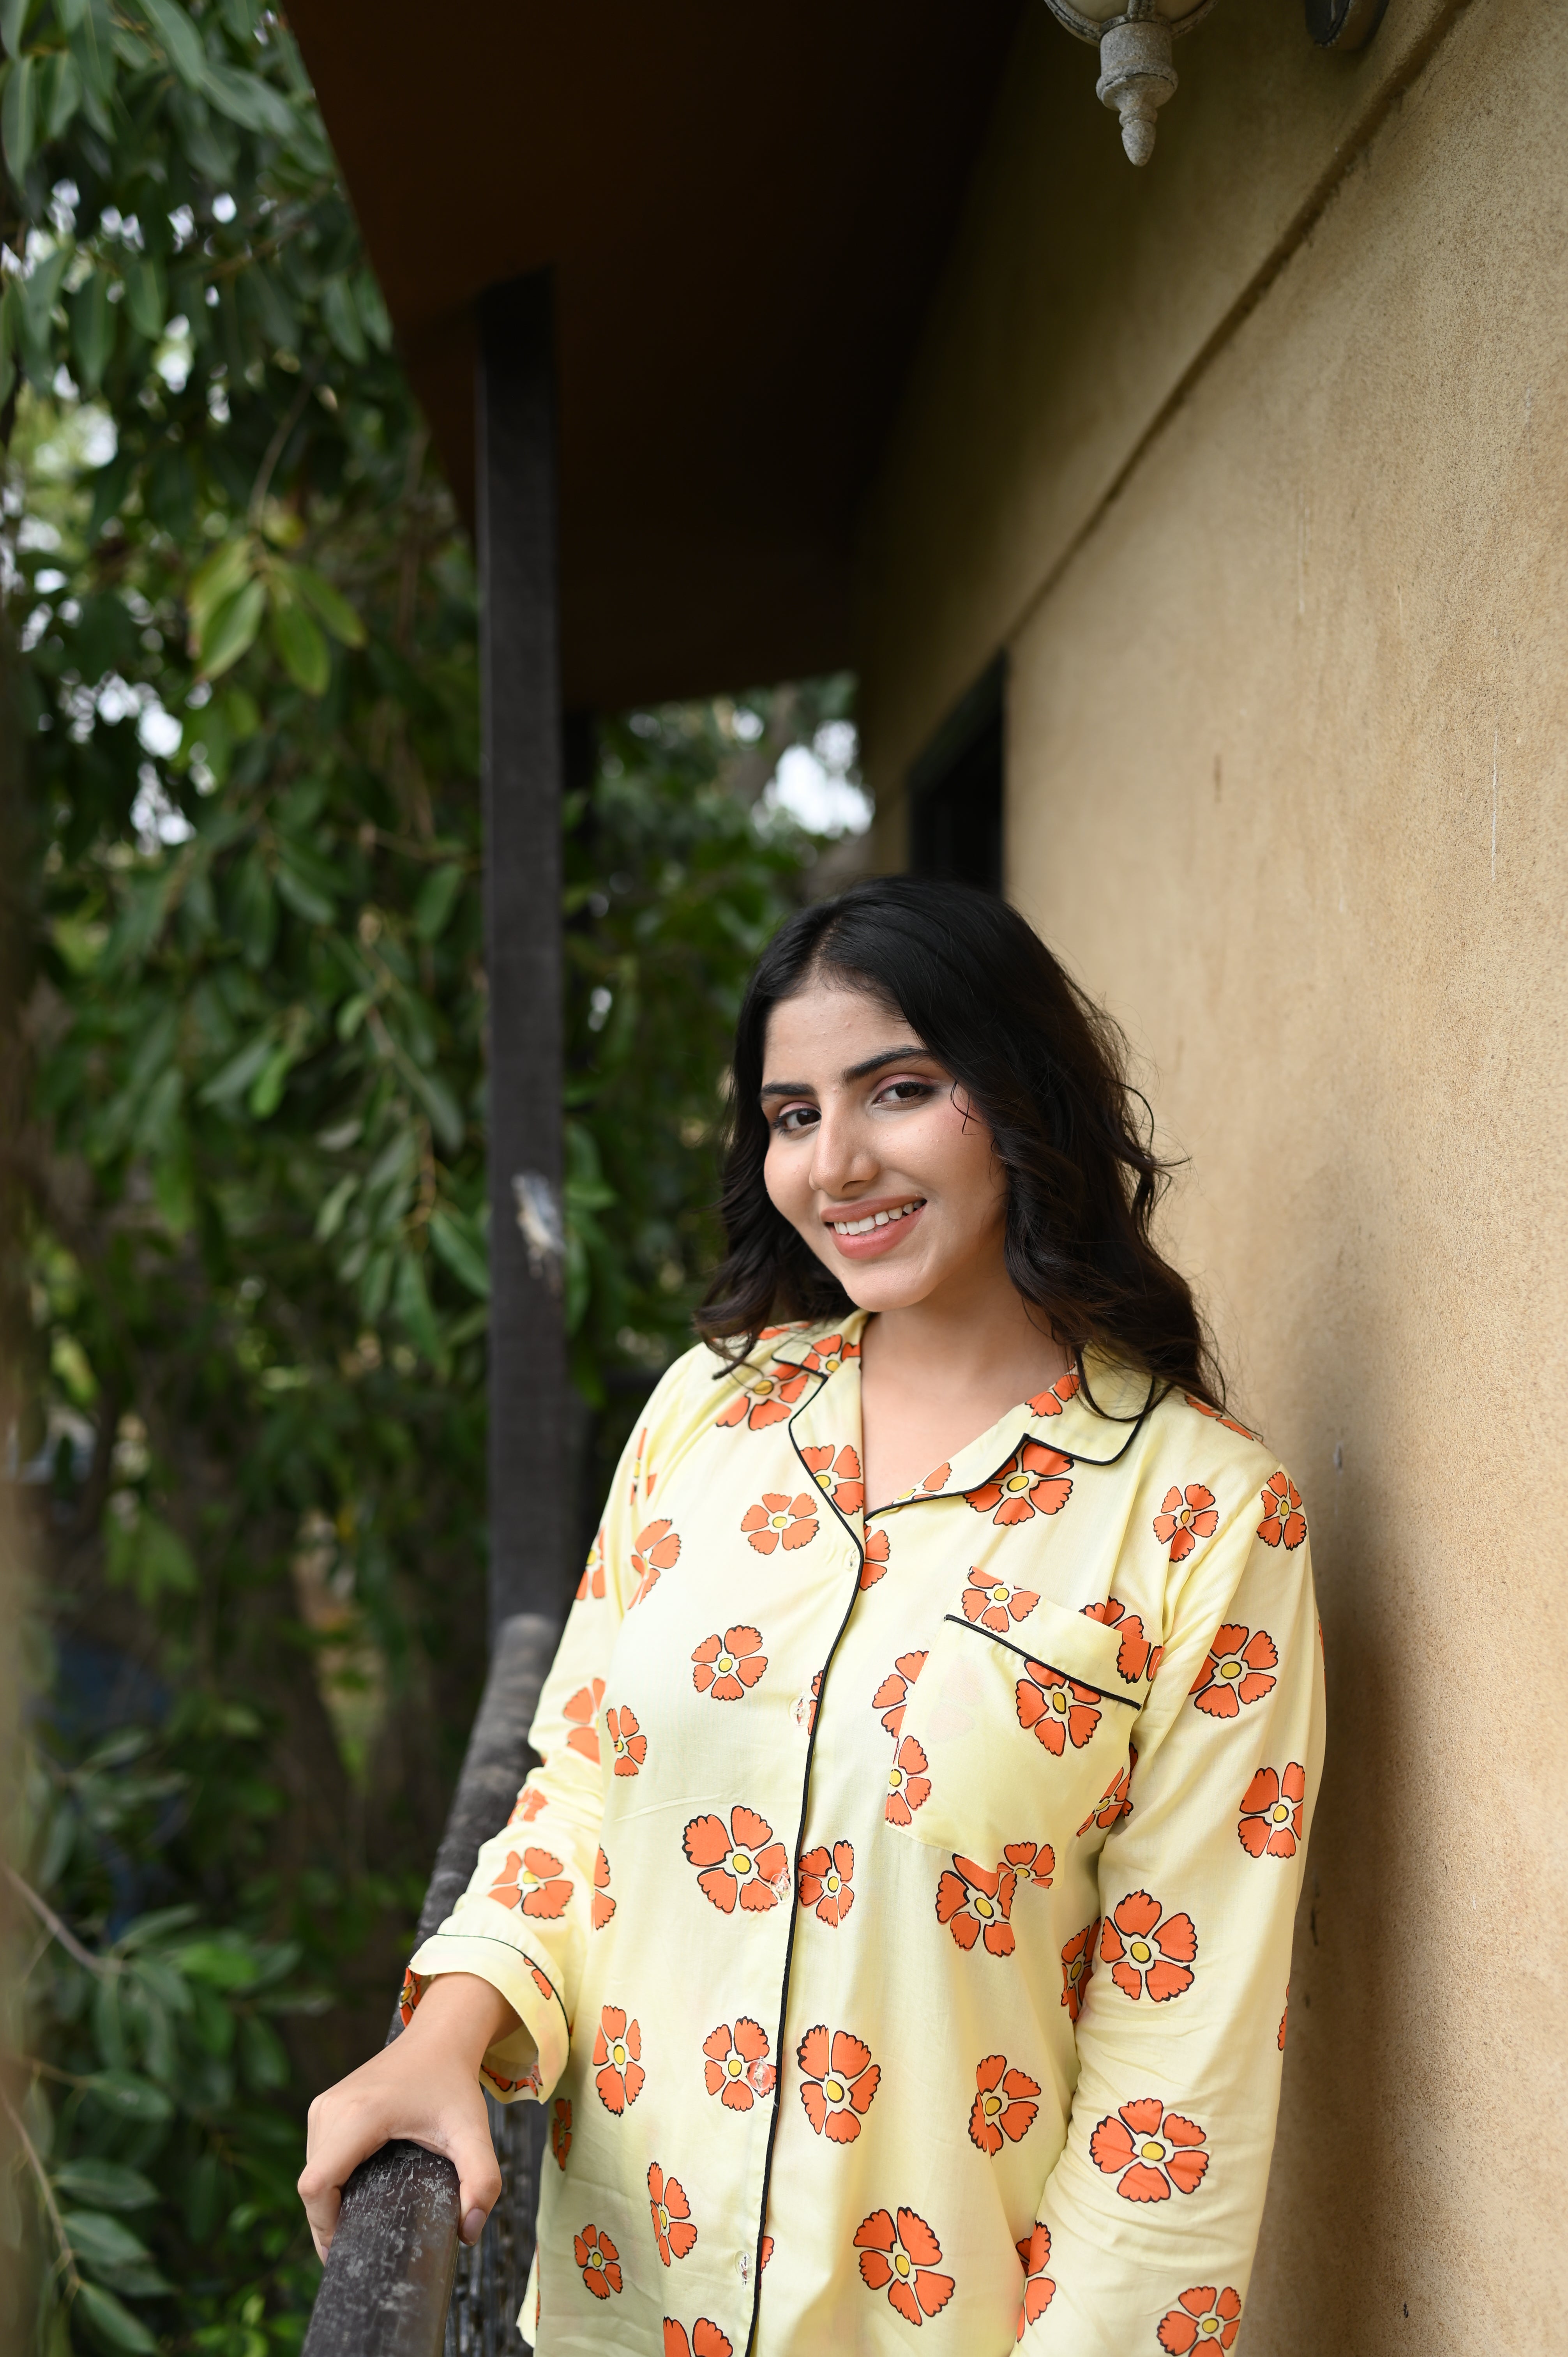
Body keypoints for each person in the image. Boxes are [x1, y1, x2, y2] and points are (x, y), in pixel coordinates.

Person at [299, 877, 1323, 2355]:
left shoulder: (1205, 1520)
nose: (836, 1163)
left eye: (898, 1092)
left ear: (1022, 1094)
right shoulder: (707, 1417)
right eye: (790, 1115)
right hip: (620, 2319)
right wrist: (444, 2031)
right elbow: (585, 1801)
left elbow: (1178, 2074)